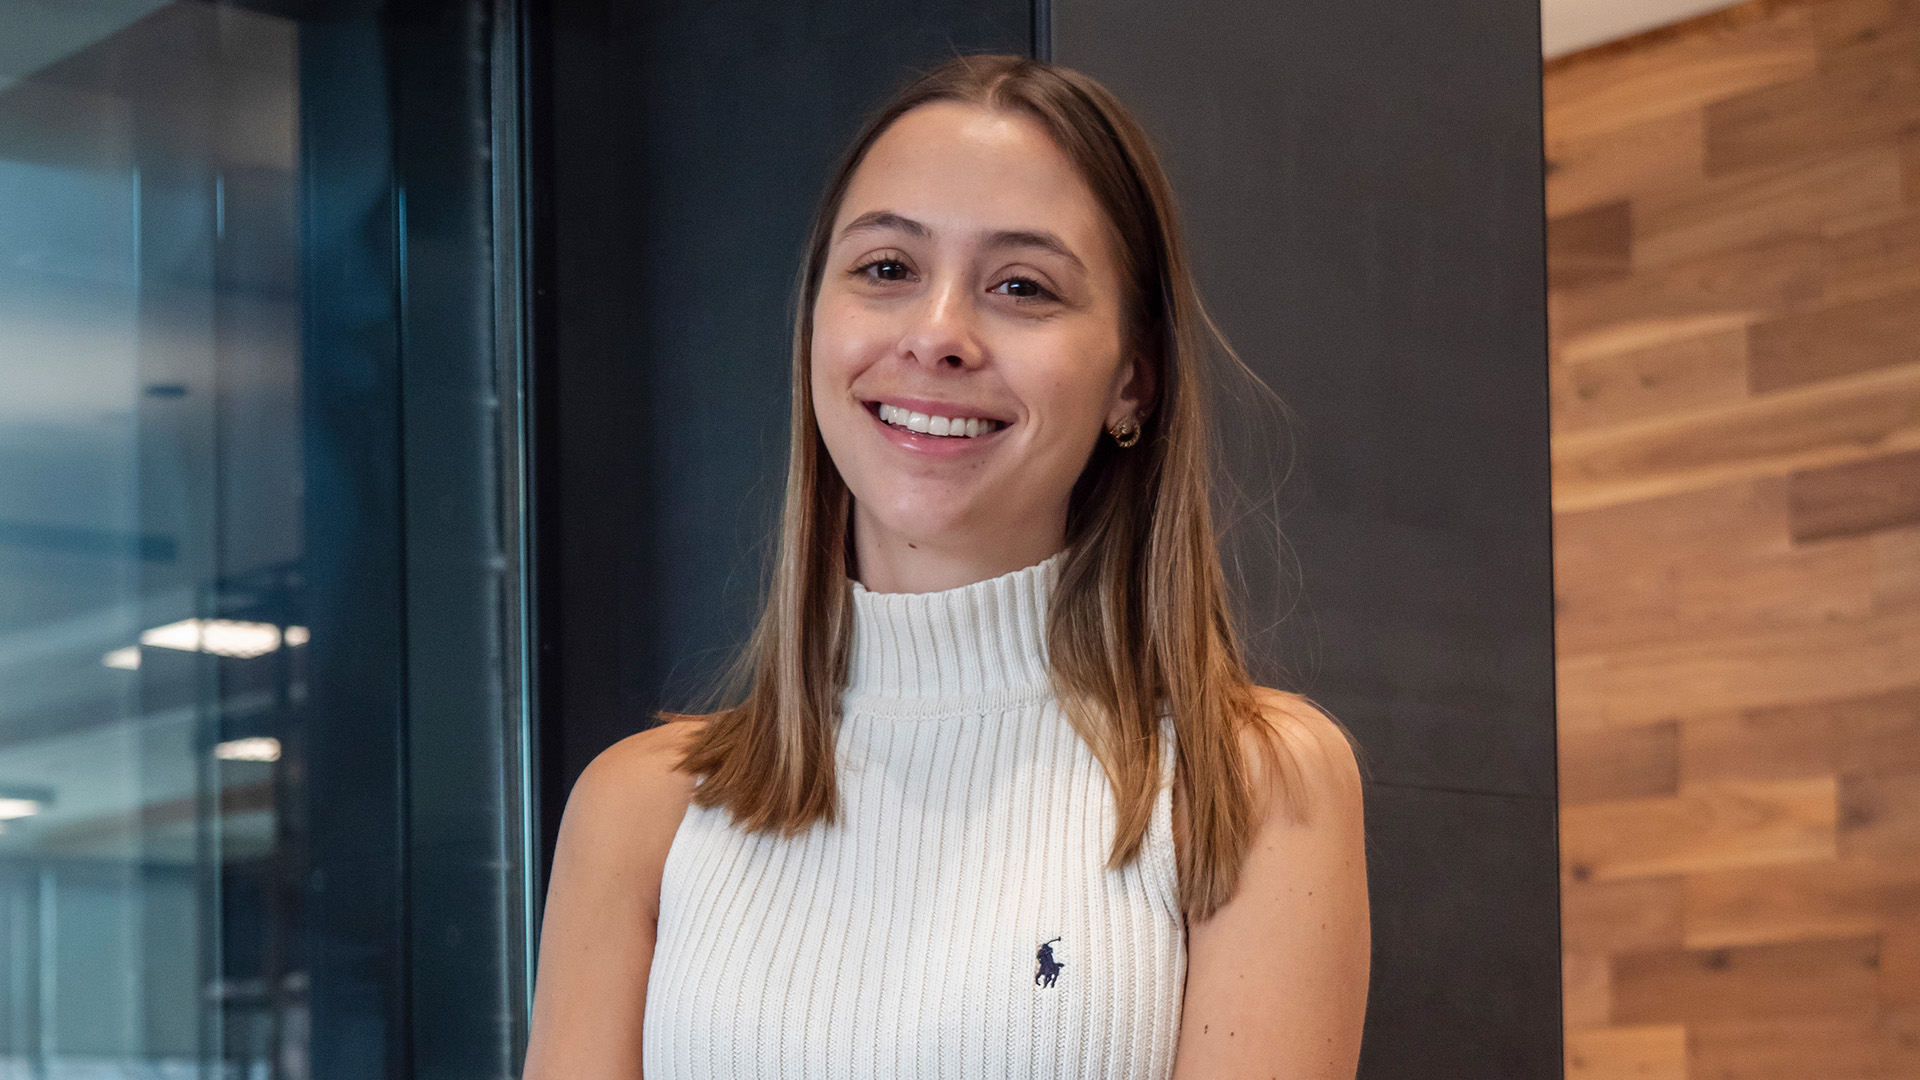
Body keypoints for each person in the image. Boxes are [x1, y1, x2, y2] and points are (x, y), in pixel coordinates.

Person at [523, 54, 1369, 1079]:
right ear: (813, 329)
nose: (938, 335)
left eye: (1022, 286)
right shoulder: (640, 813)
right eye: (887, 269)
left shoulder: (1250, 782)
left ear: (1131, 380)